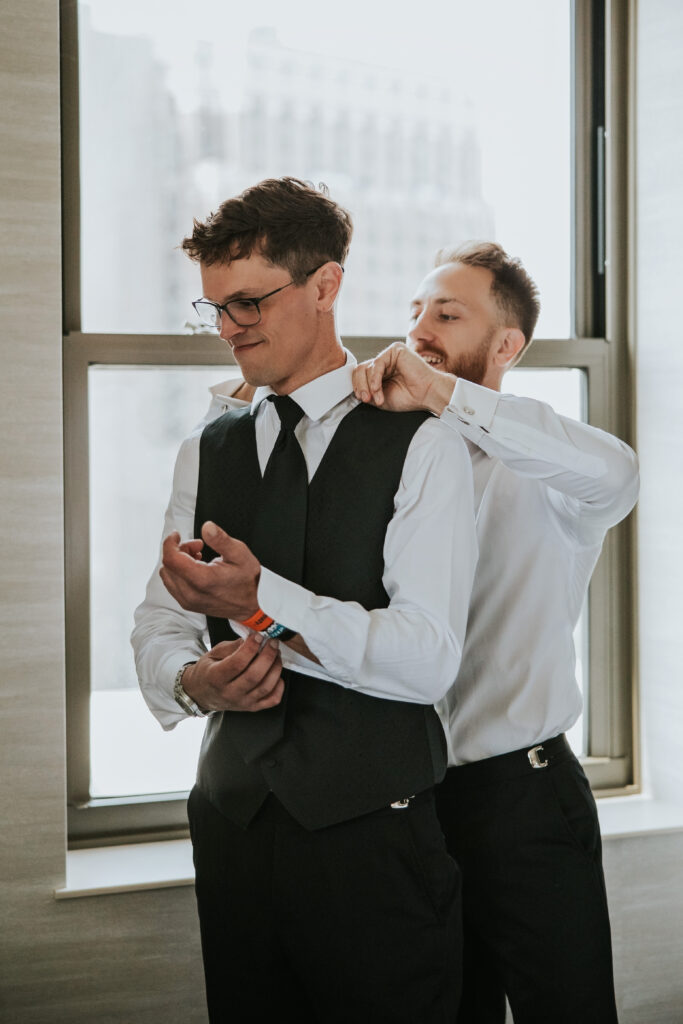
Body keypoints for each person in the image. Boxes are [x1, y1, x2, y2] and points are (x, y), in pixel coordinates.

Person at [131, 178, 478, 1023]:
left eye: (247, 302)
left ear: (325, 286)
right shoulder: (203, 449)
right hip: (231, 826)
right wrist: (191, 683)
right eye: (213, 308)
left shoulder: (426, 446)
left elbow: (428, 656)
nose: (228, 329)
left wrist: (262, 607)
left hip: (373, 838)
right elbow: (160, 622)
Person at [351, 241, 639, 1024]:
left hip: (524, 802)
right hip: (408, 806)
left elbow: (619, 475)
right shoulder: (391, 469)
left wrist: (442, 391)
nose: (418, 329)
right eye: (413, 312)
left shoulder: (553, 474)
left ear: (506, 345)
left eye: (446, 313)